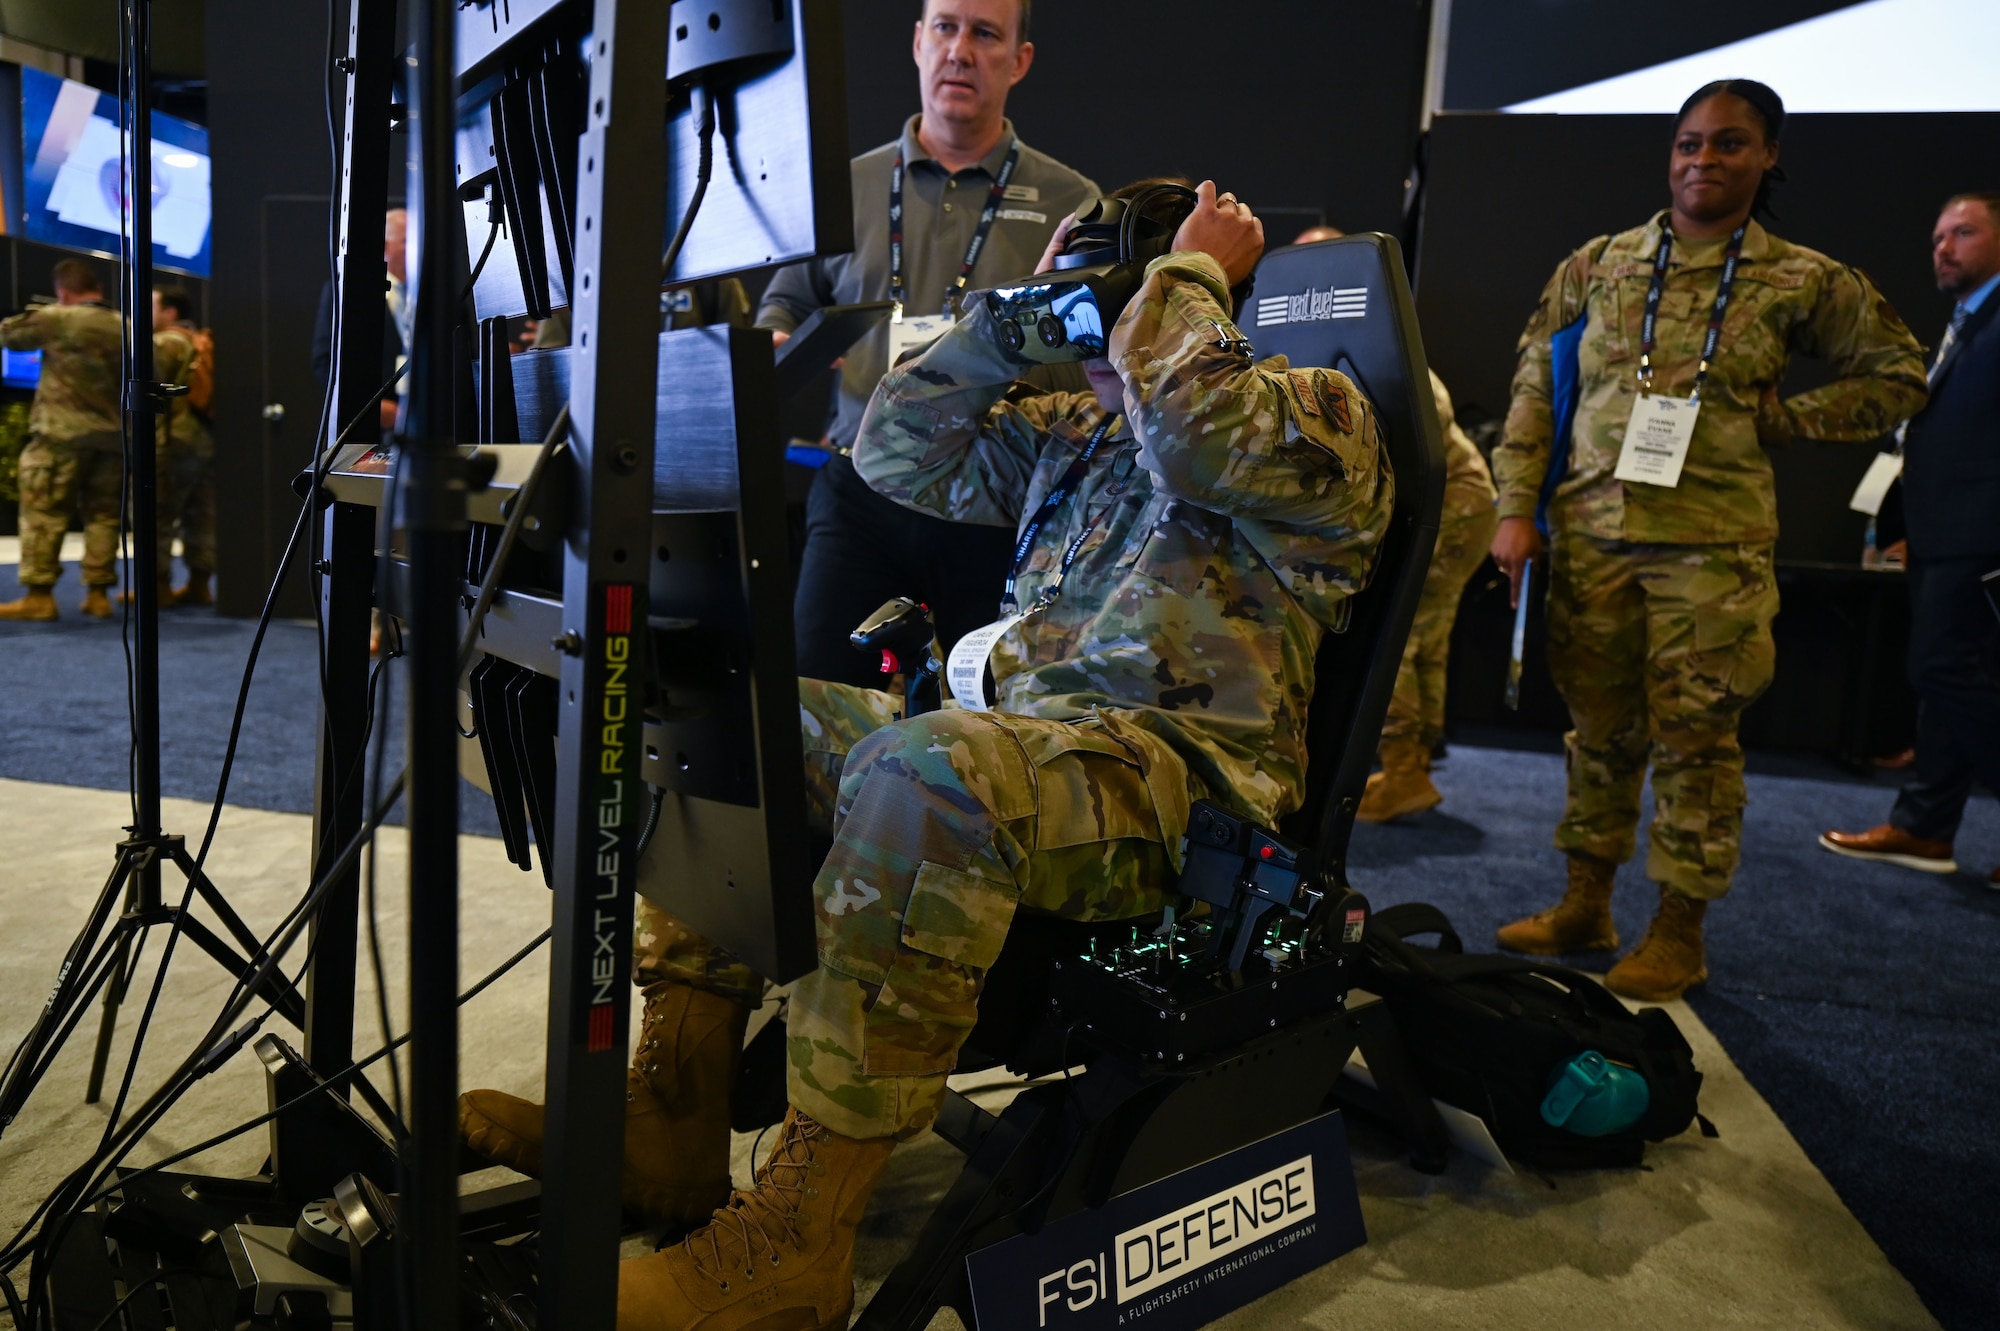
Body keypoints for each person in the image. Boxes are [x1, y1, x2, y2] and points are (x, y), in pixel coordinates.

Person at [463, 180, 1392, 1329]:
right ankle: (677, 1104)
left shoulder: (1319, 420)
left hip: (1173, 786)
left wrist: (1186, 277)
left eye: (1124, 299)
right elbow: (891, 446)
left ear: (1207, 303)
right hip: (1034, 750)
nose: (1103, 335)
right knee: (735, 717)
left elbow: (1199, 437)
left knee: (928, 769)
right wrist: (1020, 317)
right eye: (1094, 304)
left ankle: (798, 1243)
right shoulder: (1075, 435)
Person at [1486, 79, 1927, 1001]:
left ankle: (1678, 931)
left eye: (1729, 145)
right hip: (1595, 535)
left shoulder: (1801, 278)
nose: (1703, 161)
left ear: (1767, 158)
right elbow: (1533, 384)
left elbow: (1898, 376)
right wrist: (1514, 507)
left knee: (1695, 739)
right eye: (1688, 143)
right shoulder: (1598, 265)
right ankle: (1585, 903)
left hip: (1712, 553)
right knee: (1599, 732)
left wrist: (1786, 420)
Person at [759, 0, 1099, 687]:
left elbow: (1095, 361)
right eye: (945, 27)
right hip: (863, 481)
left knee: (992, 725)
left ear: (1020, 60)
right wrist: (783, 339)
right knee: (811, 699)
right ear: (918, 43)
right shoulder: (843, 187)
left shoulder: (1074, 202)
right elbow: (786, 304)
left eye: (985, 33)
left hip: (995, 503)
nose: (960, 51)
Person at [1289, 226, 1501, 821]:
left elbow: (1423, 417)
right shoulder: (1332, 339)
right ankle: (1413, 769)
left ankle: (1406, 770)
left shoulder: (1374, 335)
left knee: (1404, 638)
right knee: (1426, 640)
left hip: (1450, 505)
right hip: (1453, 500)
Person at [1821, 192, 2000, 887]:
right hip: (1943, 529)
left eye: (1964, 233)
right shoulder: (1969, 321)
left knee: (1941, 670)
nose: (1944, 248)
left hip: (1980, 534)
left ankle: (1925, 824)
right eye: (1936, 238)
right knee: (1946, 679)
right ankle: (1925, 828)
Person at [0, 260, 127, 622]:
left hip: (61, 435)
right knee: (104, 516)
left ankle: (39, 597)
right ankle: (98, 594)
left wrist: (42, 311)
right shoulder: (127, 326)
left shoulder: (57, 317)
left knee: (44, 512)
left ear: (64, 292)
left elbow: (10, 335)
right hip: (113, 439)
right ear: (98, 290)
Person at [150, 288, 217, 607]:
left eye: (149, 306)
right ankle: (199, 585)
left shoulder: (166, 343)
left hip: (173, 442)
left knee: (158, 514)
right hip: (204, 440)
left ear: (170, 312)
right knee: (201, 515)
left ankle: (159, 588)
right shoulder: (201, 340)